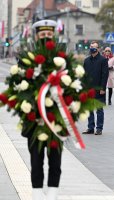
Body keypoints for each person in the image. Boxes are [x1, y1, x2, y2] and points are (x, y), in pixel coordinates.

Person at [28, 19, 61, 200]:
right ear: (36, 36)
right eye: (43, 35)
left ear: (54, 36)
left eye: (49, 35)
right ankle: (37, 192)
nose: (46, 38)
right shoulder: (28, 59)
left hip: (57, 120)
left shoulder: (62, 59)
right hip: (35, 121)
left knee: (55, 161)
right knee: (36, 160)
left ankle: (53, 193)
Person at [82, 41, 109, 135]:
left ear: (98, 49)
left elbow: (105, 75)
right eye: (91, 46)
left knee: (99, 110)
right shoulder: (86, 60)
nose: (92, 48)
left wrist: (103, 88)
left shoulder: (103, 60)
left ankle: (99, 128)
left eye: (94, 47)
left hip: (99, 89)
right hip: (89, 89)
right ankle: (90, 127)